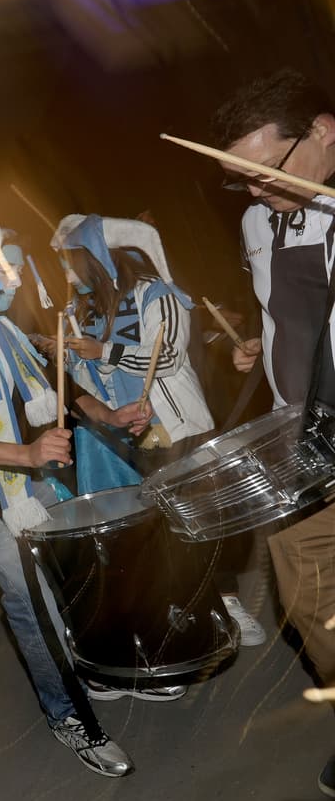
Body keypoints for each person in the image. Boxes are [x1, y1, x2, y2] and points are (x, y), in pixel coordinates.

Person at [0, 217, 148, 779]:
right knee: (31, 598)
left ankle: (78, 666)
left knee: (69, 568)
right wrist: (29, 456)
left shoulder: (3, 331)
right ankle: (69, 716)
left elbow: (51, 375)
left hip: (17, 478)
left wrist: (110, 415)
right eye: (4, 269)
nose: (14, 280)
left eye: (16, 268)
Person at [50, 215, 265, 646]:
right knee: (163, 530)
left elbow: (166, 357)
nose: (68, 274)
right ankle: (196, 605)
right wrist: (109, 411)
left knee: (204, 516)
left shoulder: (158, 295)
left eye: (73, 262)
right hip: (129, 437)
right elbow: (80, 381)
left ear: (99, 259)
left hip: (180, 426)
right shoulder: (78, 313)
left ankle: (227, 598)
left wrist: (104, 349)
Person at [212, 67, 335, 797]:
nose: (256, 192)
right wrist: (259, 342)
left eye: (266, 172)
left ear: (323, 132)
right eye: (242, 181)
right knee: (303, 590)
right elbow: (279, 303)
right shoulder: (259, 220)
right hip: (307, 441)